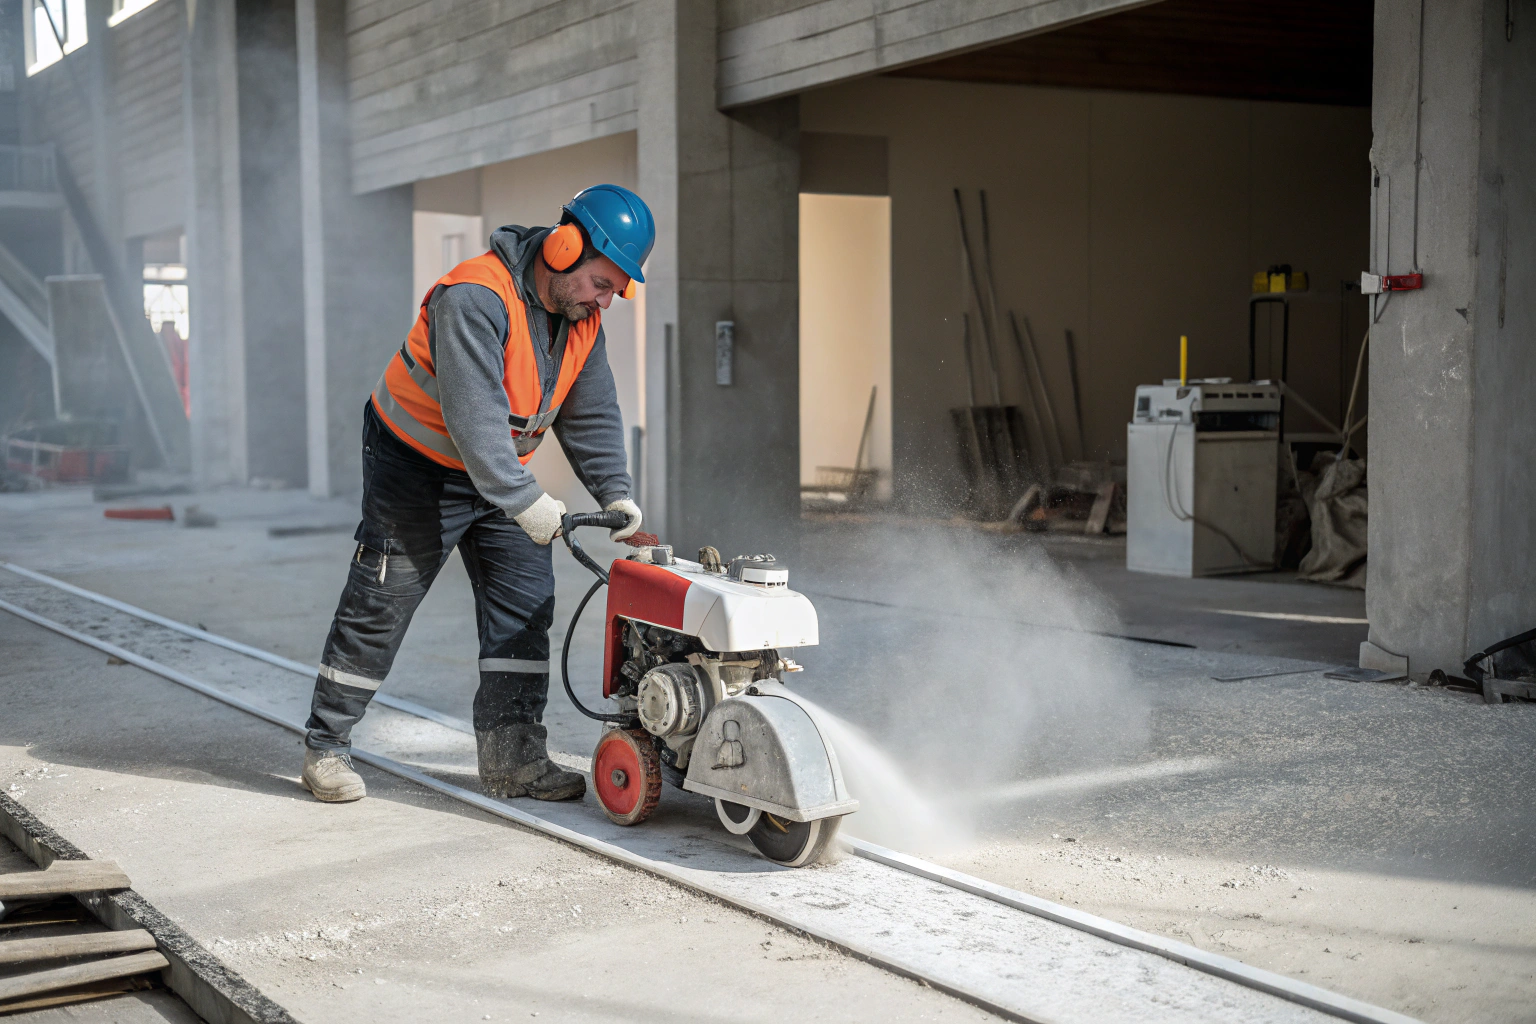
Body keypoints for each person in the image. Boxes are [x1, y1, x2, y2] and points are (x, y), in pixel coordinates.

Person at [299, 184, 653, 805]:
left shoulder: (582, 321)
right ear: (567, 248)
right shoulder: (474, 297)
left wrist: (617, 494)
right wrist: (528, 502)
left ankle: (514, 760)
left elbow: (590, 413)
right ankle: (326, 746)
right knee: (382, 601)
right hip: (417, 466)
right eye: (603, 282)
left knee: (525, 606)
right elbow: (476, 421)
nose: (607, 299)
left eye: (616, 289)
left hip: (499, 478)